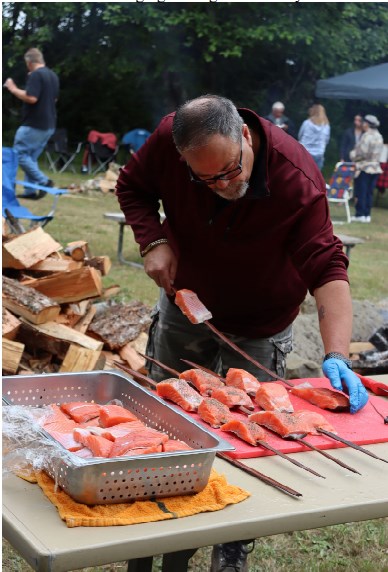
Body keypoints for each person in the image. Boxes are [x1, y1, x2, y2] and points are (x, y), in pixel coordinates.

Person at [115, 94, 369, 572]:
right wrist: (154, 239)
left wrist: (337, 354)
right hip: (186, 304)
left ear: (246, 138)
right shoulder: (171, 139)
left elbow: (328, 270)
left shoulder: (296, 178)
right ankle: (151, 531)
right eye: (205, 178)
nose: (221, 186)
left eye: (230, 171)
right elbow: (133, 186)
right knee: (163, 420)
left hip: (260, 320)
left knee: (252, 436)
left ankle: (230, 549)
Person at [4, 47, 59, 199]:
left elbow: (31, 98)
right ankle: (30, 191)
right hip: (49, 125)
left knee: (19, 154)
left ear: (29, 62)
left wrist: (12, 88)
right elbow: (54, 100)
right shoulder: (52, 76)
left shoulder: (36, 75)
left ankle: (44, 182)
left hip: (33, 124)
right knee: (31, 157)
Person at [350, 114, 384, 223]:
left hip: (365, 167)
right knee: (369, 192)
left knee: (361, 191)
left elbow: (362, 153)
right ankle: (367, 214)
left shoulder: (366, 135)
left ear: (367, 124)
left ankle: (360, 214)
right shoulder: (379, 136)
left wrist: (353, 154)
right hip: (375, 168)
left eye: (364, 122)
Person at [298, 104, 330, 170]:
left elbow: (300, 136)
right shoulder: (326, 126)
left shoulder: (306, 123)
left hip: (305, 152)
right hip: (319, 153)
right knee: (315, 177)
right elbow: (326, 140)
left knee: (303, 175)